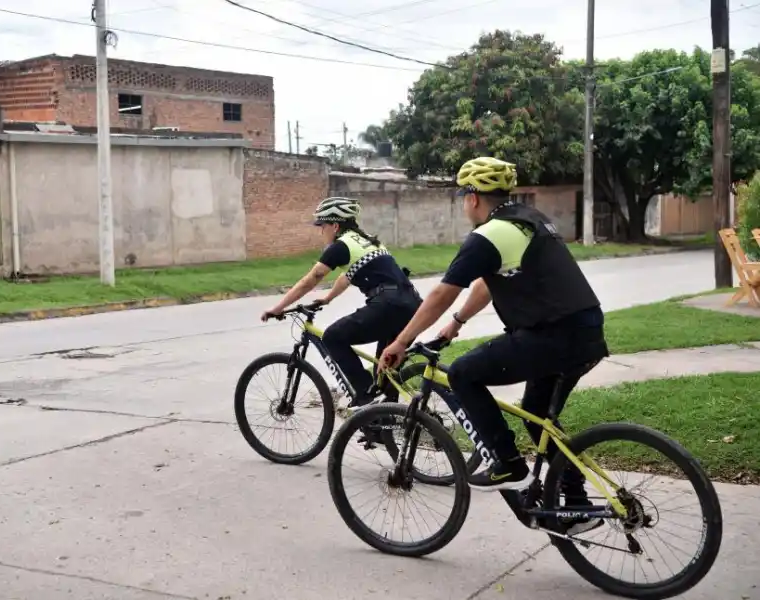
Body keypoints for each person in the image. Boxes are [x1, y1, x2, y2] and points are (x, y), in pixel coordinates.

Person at [377, 156, 609, 534]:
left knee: (465, 373)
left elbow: (441, 293)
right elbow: (487, 283)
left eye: (461, 197)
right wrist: (455, 324)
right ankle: (576, 503)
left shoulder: (488, 234)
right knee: (536, 411)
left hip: (554, 336)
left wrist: (402, 342)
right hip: (585, 332)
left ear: (472, 198)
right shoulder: (526, 220)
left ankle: (507, 463)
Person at [261, 197, 422, 410]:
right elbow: (347, 275)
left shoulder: (341, 245)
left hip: (388, 306)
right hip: (411, 305)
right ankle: (384, 422)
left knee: (333, 337)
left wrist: (278, 308)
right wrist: (327, 298)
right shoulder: (366, 240)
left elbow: (313, 277)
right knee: (384, 372)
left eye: (322, 225)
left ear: (335, 225)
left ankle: (365, 397)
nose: (320, 231)